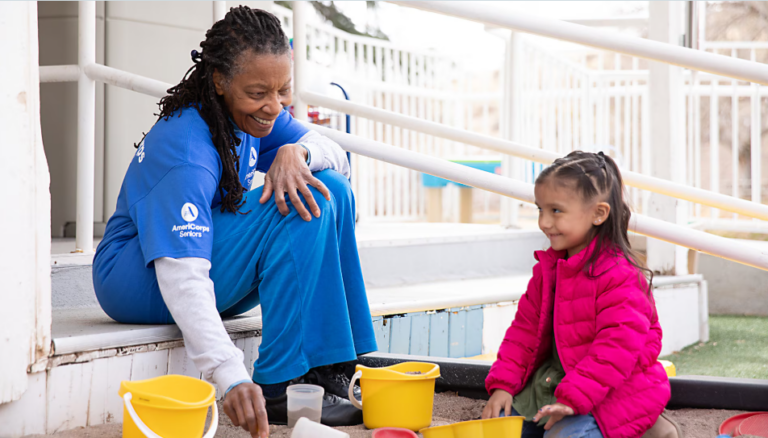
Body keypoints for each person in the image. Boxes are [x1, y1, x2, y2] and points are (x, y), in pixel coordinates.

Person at [92, 6, 376, 437]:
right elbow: (182, 275)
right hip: (139, 277)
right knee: (300, 202)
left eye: (283, 91)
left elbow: (338, 158)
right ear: (220, 81)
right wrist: (230, 374)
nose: (274, 106)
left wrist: (297, 151)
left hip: (199, 259)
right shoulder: (186, 150)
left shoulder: (247, 114)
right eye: (259, 93)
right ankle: (280, 384)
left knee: (329, 185)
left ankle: (332, 364)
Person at [481, 151, 672, 438]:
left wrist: (572, 399)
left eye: (556, 211)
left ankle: (654, 430)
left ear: (598, 213)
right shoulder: (549, 270)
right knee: (497, 429)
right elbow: (523, 332)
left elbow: (614, 351)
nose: (544, 222)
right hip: (554, 384)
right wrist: (503, 386)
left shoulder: (620, 276)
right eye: (540, 209)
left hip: (612, 393)